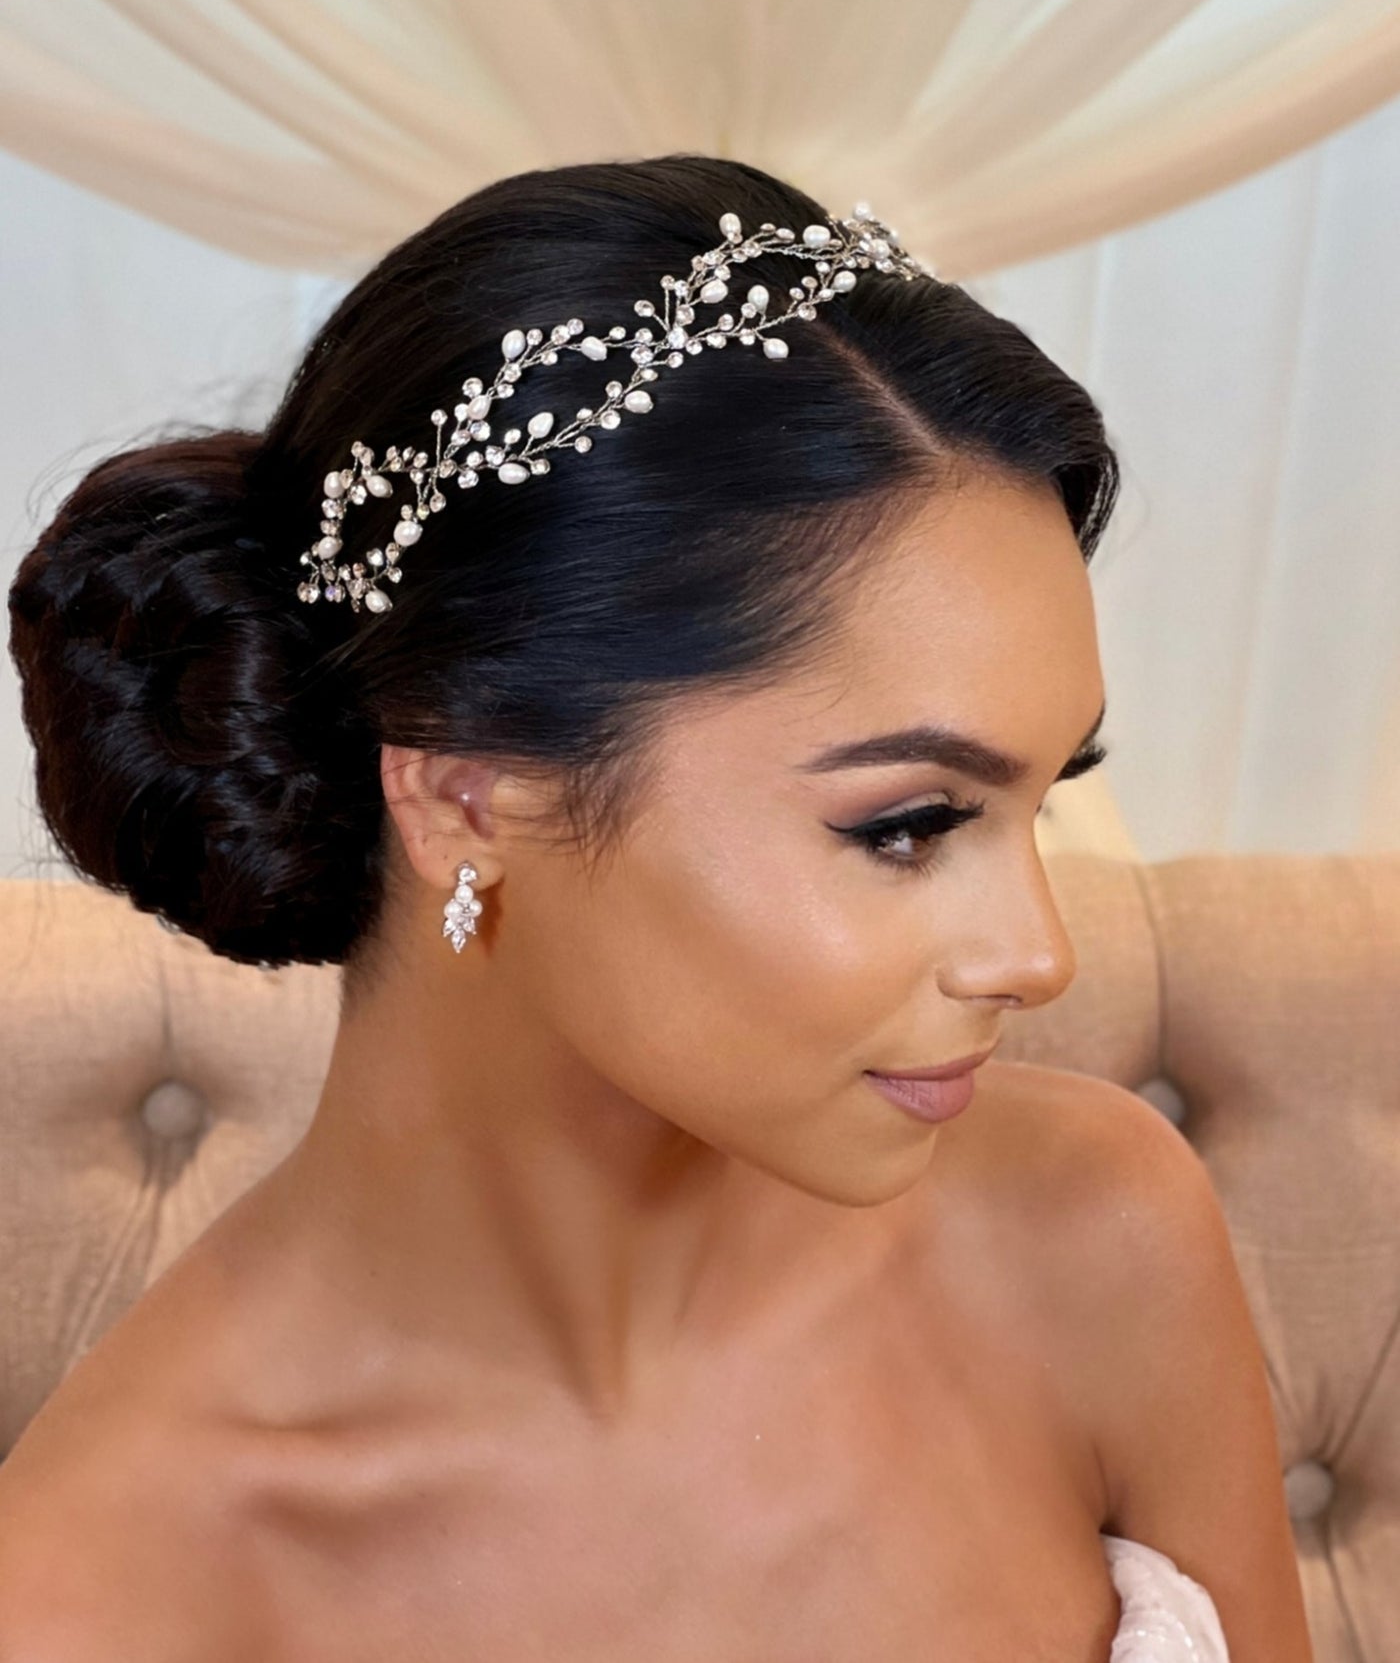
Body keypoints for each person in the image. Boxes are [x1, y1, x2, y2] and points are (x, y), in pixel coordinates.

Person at [0, 153, 1311, 1659]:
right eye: (907, 824)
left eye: (1042, 795)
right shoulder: (111, 1590)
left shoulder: (1095, 1233)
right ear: (469, 798)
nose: (1040, 952)